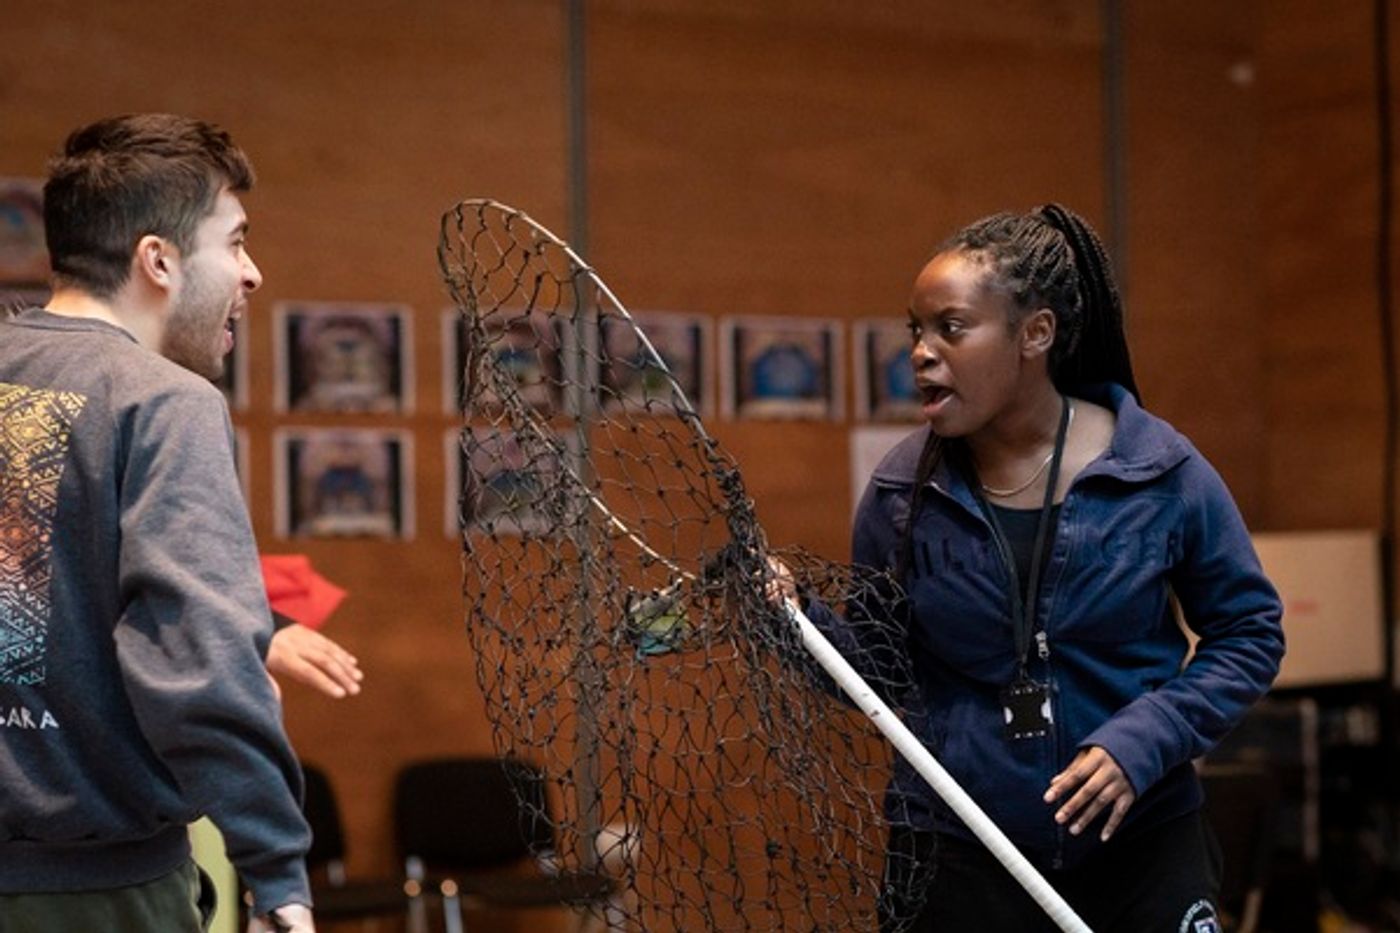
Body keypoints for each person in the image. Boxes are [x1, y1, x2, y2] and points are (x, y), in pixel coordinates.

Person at [800, 205, 1285, 932]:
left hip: (1142, 842)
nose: (922, 353)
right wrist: (792, 620)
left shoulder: (1160, 472)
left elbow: (1249, 633)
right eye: (917, 331)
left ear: (1036, 334)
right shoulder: (902, 491)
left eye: (951, 328)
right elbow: (880, 669)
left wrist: (1144, 739)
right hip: (959, 847)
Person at [0, 114, 314, 932]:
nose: (252, 272)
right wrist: (278, 874)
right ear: (160, 260)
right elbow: (197, 659)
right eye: (235, 241)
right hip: (91, 898)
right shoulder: (159, 401)